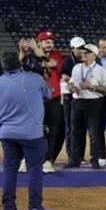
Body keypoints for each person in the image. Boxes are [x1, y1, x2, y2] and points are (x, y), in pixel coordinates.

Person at [0, 51, 54, 210]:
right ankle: (35, 209)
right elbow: (49, 95)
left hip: (7, 133)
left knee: (9, 170)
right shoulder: (34, 78)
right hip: (32, 134)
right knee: (34, 170)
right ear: (20, 64)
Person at [66, 44, 106, 169]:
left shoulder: (100, 70)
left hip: (93, 103)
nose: (83, 54)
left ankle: (95, 160)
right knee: (75, 132)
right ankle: (74, 159)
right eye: (83, 52)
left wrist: (92, 87)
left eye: (87, 52)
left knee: (93, 133)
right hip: (77, 102)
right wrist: (71, 87)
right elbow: (71, 83)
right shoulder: (77, 68)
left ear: (94, 55)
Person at [37, 32, 63, 174]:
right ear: (39, 42)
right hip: (36, 99)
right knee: (33, 130)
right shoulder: (31, 56)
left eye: (52, 42)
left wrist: (38, 55)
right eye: (46, 41)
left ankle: (48, 160)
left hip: (53, 98)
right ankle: (27, 159)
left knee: (52, 131)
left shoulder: (57, 55)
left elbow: (52, 63)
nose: (50, 44)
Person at [60, 37, 88, 167]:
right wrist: (73, 81)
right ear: (72, 49)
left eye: (83, 47)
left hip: (83, 98)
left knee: (82, 128)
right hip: (70, 97)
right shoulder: (68, 61)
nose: (81, 50)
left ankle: (80, 156)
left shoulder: (86, 60)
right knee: (70, 128)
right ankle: (72, 156)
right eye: (79, 48)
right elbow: (64, 76)